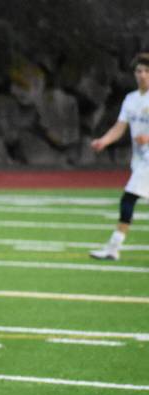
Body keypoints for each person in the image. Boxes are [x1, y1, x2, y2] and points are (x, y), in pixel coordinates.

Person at [89, 52, 149, 261]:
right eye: (139, 71)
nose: (142, 75)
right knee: (129, 199)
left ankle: (113, 247)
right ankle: (113, 247)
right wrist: (104, 141)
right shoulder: (131, 100)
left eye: (147, 71)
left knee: (128, 198)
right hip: (141, 160)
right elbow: (120, 126)